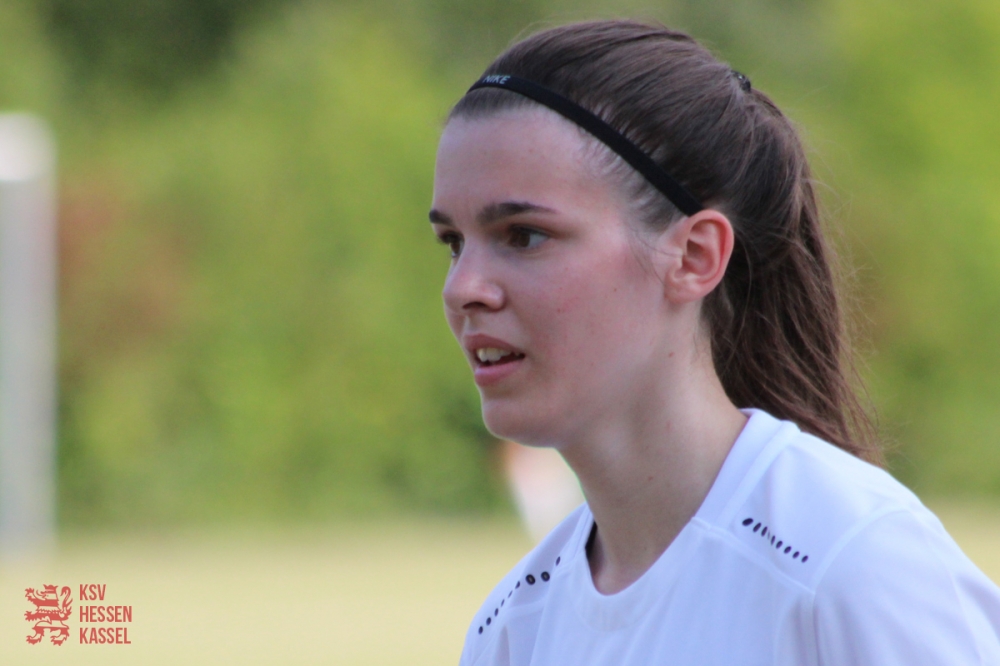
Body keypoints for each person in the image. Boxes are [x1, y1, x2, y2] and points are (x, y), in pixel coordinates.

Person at [428, 20, 1000, 666]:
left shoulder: (849, 566)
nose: (463, 288)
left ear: (695, 256)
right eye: (453, 243)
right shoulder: (513, 627)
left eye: (524, 235)